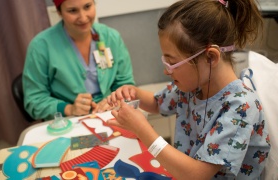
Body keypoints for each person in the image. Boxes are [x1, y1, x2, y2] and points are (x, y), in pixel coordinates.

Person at [106, 0, 271, 179]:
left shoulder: (240, 107)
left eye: (172, 63)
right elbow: (157, 103)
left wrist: (142, 129)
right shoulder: (192, 87)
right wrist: (133, 92)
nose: (166, 70)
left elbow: (197, 175)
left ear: (210, 57)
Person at [22, 0, 135, 120]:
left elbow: (125, 84)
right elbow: (34, 100)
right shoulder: (41, 46)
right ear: (59, 12)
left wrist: (115, 100)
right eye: (72, 11)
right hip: (69, 122)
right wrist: (69, 109)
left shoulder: (111, 37)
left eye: (87, 7)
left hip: (110, 114)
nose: (83, 17)